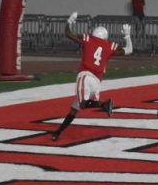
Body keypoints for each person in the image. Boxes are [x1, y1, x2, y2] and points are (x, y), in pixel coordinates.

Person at [51, 12, 132, 141]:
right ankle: (58, 132)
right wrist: (127, 36)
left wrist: (70, 21)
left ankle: (104, 104)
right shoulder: (108, 45)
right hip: (97, 83)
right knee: (74, 108)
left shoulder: (88, 39)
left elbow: (68, 33)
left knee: (82, 105)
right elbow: (129, 50)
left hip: (85, 76)